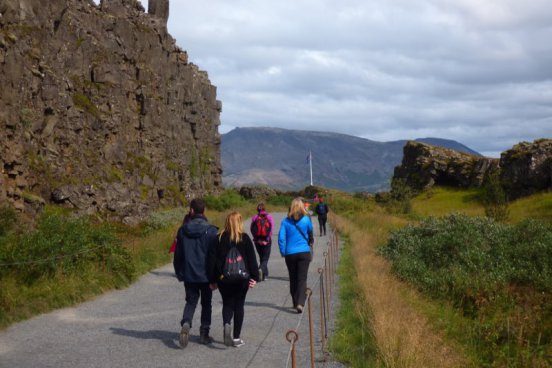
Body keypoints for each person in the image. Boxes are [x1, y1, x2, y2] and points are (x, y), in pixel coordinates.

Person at [208, 211, 259, 347]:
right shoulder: (245, 238)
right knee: (239, 305)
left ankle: (226, 324)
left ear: (227, 222)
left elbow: (212, 261)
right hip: (242, 279)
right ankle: (236, 338)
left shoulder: (218, 238)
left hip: (224, 279)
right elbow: (252, 261)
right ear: (240, 222)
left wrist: (212, 280)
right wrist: (255, 278)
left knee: (227, 303)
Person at [173, 198, 218, 348]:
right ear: (203, 211)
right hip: (206, 275)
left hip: (189, 273)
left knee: (191, 301)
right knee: (206, 304)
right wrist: (216, 276)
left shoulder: (182, 230)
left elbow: (178, 254)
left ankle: (186, 322)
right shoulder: (212, 231)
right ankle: (204, 334)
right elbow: (215, 256)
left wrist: (179, 272)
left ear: (191, 211)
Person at [278, 197, 314, 313]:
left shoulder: (285, 221)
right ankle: (300, 303)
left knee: (293, 278)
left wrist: (283, 251)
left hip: (290, 254)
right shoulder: (306, 219)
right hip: (304, 252)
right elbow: (310, 231)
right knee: (302, 279)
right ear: (302, 207)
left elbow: (281, 239)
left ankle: (294, 301)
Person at [250, 203, 274, 281]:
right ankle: (261, 270)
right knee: (265, 258)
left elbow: (252, 229)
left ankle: (264, 275)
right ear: (265, 209)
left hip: (257, 241)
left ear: (257, 209)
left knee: (261, 257)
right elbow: (271, 230)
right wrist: (266, 239)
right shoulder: (269, 217)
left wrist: (257, 240)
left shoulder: (255, 217)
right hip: (266, 241)